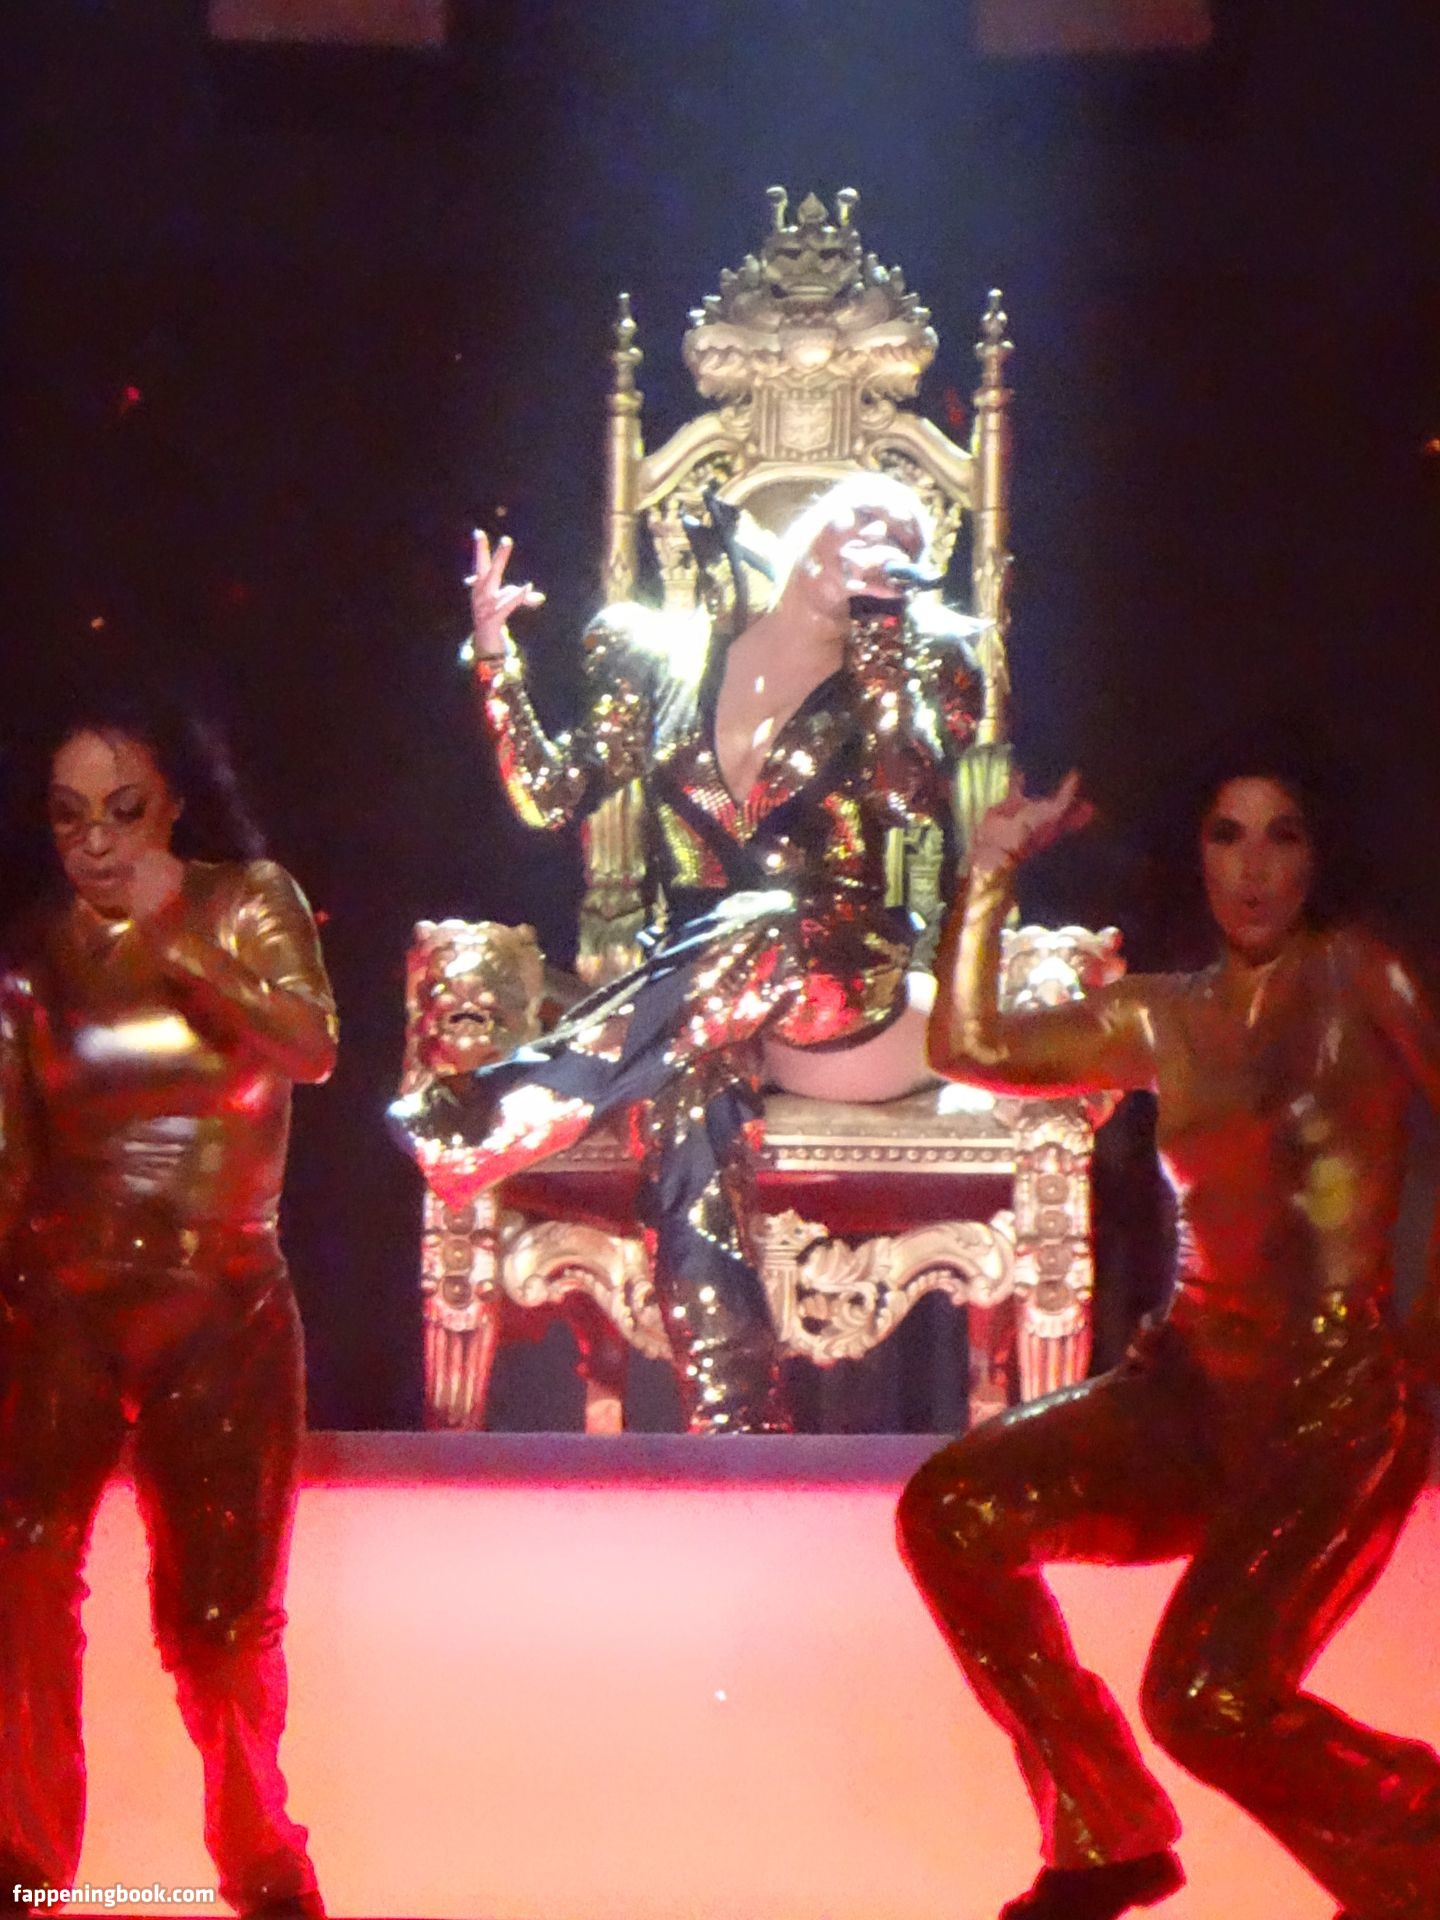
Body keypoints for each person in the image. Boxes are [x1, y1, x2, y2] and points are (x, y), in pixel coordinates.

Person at [897, 750, 1440, 1920]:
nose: (1253, 869)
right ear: (1193, 854)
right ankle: (1102, 1829)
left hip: (1332, 1410)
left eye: (1282, 836)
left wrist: (1424, 1347)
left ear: (1320, 856)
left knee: (1207, 1703)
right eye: (1226, 836)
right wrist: (988, 871)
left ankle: (1420, 1854)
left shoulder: (1361, 973)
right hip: (1188, 1394)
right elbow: (967, 1047)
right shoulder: (1165, 1011)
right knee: (952, 1511)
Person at [392, 472, 984, 1433]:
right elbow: (550, 796)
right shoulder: (665, 657)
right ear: (809, 525)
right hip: (702, 995)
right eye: (863, 514)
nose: (878, 537)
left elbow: (905, 792)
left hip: (842, 989)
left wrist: (881, 631)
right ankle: (738, 1425)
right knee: (685, 1096)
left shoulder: (926, 667)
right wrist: (495, 655)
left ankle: (502, 1109)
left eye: (904, 537)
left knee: (765, 917)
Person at [0, 695, 336, 1919]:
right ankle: (27, 1861)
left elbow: (310, 1045)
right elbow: (11, 1153)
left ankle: (259, 1852)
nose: (94, 842)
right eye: (69, 817)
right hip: (65, 1299)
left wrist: (178, 938)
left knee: (218, 1617)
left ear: (173, 806)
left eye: (122, 811)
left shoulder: (248, 900)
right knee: (21, 1568)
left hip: (221, 1297)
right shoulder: (33, 951)